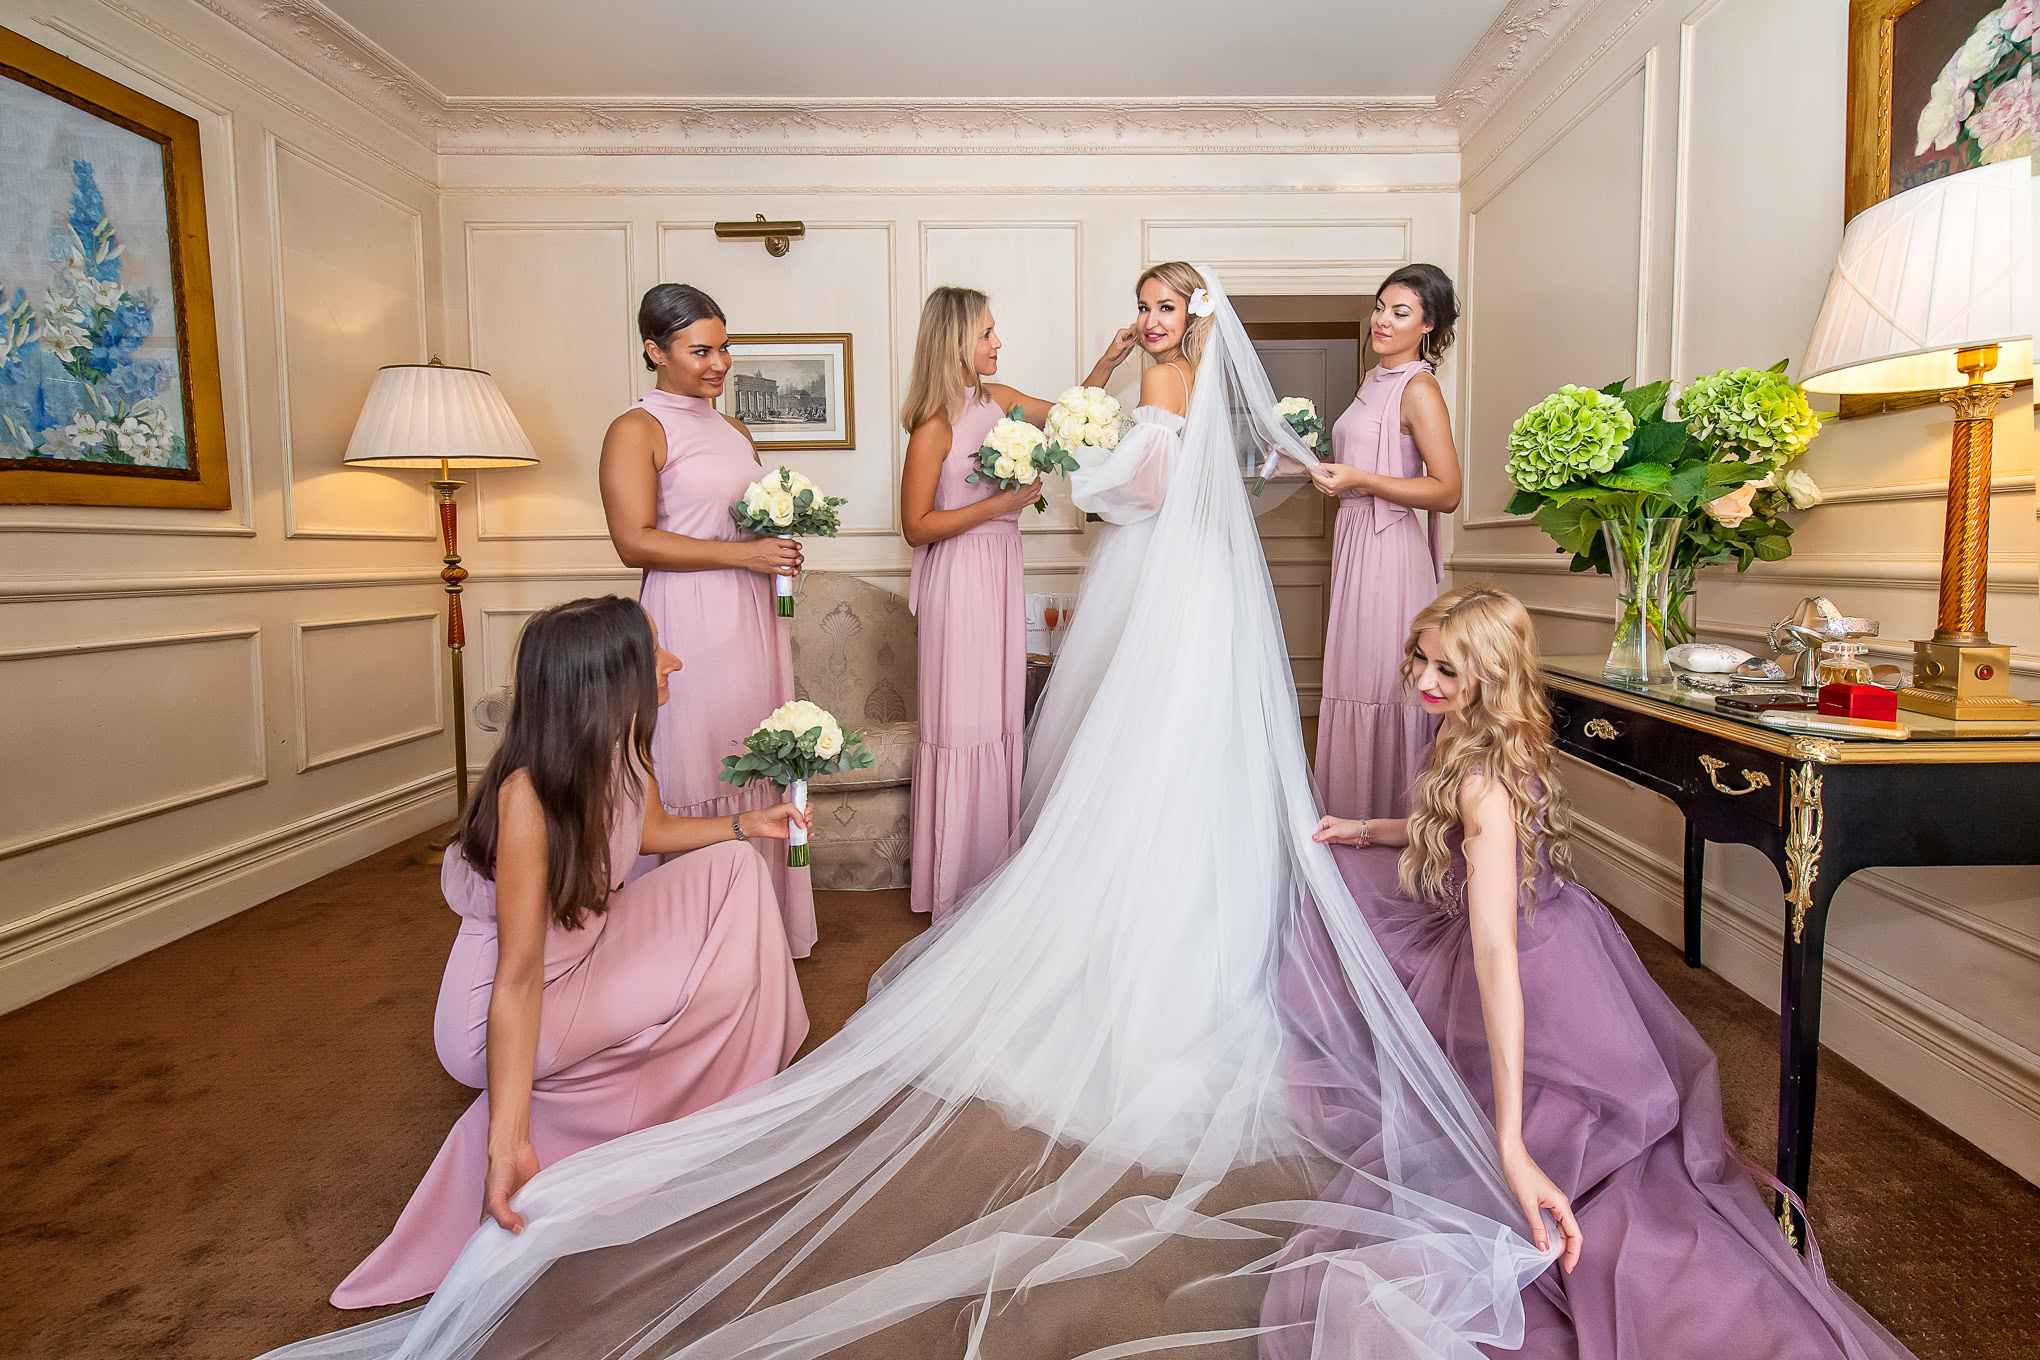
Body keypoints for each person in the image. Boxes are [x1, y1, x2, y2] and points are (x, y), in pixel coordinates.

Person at [255, 268, 1562, 1360]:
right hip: (1157, 605)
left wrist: (1091, 430)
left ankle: (1071, 948)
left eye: (1170, 304)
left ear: (1195, 324)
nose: (1155, 316)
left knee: (1138, 777)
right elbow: (1091, 458)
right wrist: (1091, 422)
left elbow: (1129, 470)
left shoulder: (1161, 392)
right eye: (1145, 301)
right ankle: (716, 967)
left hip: (1170, 606)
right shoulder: (1088, 396)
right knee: (1113, 776)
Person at [1264, 584, 1917, 1360]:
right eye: (1420, 660)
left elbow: (1495, 947)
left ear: (1491, 679)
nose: (1424, 682)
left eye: (1446, 671)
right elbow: (1457, 832)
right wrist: (1367, 828)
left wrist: (1508, 1143)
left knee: (1357, 937)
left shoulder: (1482, 782)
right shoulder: (1484, 738)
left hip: (1518, 956)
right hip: (1552, 931)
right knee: (1344, 879)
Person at [328, 596, 810, 1309]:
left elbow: (646, 833)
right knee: (707, 914)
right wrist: (506, 1145)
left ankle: (721, 1077)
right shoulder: (526, 798)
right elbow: (517, 980)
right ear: (608, 680)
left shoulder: (624, 743)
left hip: (588, 940)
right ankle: (607, 1103)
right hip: (513, 1001)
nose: (673, 661)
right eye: (655, 652)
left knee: (737, 869)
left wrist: (749, 823)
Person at [899, 287, 1135, 919]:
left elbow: (1068, 418)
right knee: (961, 722)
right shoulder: (934, 425)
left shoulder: (996, 401)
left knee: (999, 717)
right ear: (955, 342)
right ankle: (951, 882)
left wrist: (1109, 361)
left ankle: (992, 873)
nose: (998, 342)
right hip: (957, 579)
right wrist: (999, 505)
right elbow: (916, 526)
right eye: (987, 333)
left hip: (999, 569)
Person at [599, 283, 817, 957]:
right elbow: (632, 541)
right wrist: (743, 552)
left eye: (725, 347)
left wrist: (776, 548)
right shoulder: (636, 429)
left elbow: (737, 521)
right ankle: (691, 945)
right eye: (700, 350)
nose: (719, 363)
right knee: (699, 761)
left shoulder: (733, 429)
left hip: (753, 615)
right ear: (654, 351)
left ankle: (760, 934)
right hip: (686, 618)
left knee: (753, 750)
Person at [1308, 264, 1463, 820]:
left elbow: (1447, 491)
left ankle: (1393, 834)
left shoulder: (1419, 388)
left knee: (1384, 684)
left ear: (1427, 326)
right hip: (1355, 542)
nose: (1382, 320)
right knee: (1354, 680)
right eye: (1380, 307)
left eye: (1400, 313)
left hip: (1389, 548)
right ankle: (1351, 823)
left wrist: (1359, 479)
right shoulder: (1372, 380)